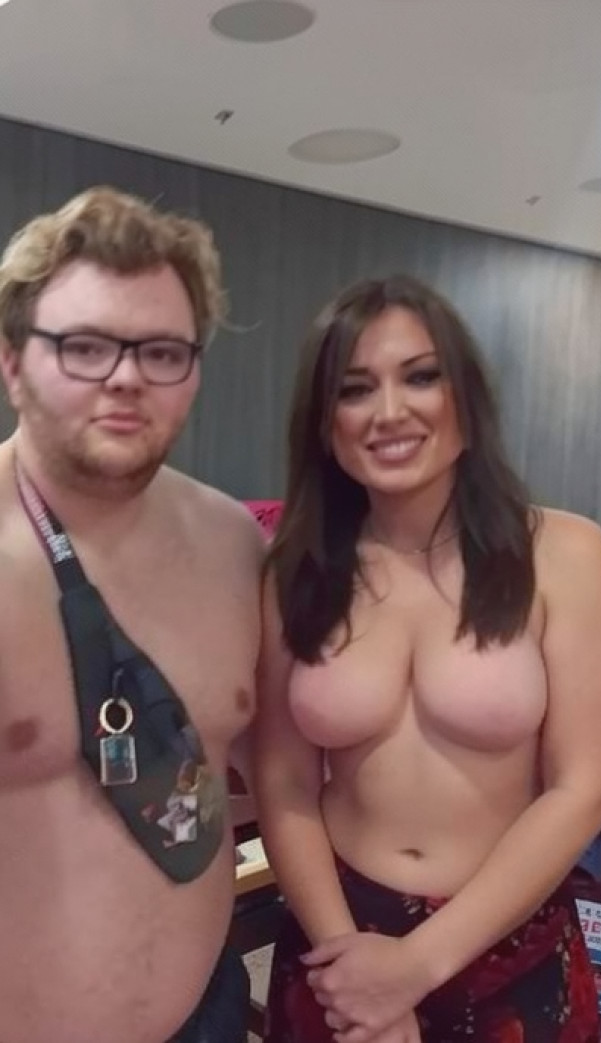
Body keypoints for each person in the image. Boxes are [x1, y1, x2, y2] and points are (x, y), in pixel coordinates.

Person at [256, 274, 601, 1043]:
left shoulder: (565, 554)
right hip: (337, 943)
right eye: (355, 389)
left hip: (506, 935)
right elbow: (283, 778)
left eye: (421, 376)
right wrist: (351, 967)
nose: (389, 411)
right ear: (325, 421)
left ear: (467, 396)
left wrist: (415, 965)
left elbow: (582, 785)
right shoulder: (296, 568)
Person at [0, 187, 265, 1043]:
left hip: (206, 1014)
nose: (125, 377)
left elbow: (287, 767)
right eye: (84, 346)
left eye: (161, 351)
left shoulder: (234, 543)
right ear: (12, 361)